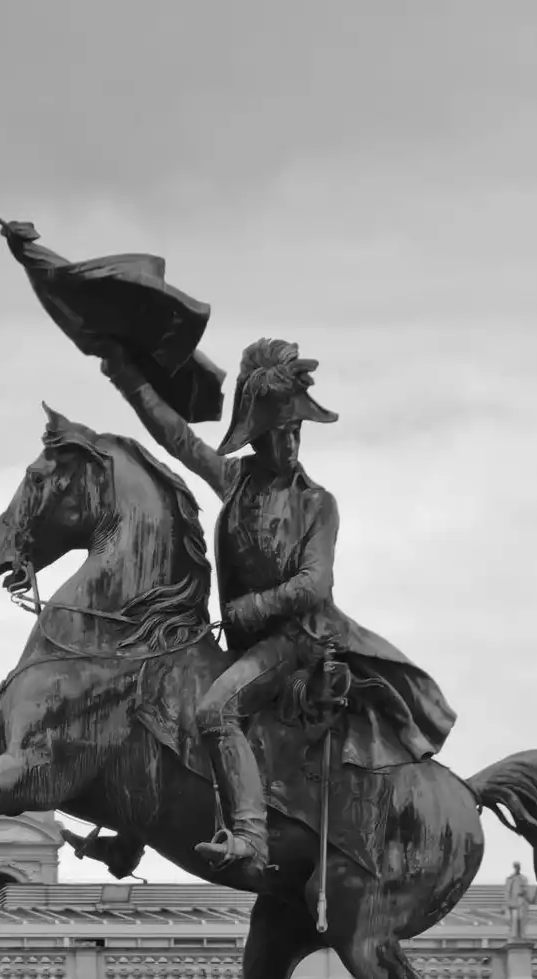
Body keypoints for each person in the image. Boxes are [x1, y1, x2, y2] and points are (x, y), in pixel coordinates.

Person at [101, 339, 456, 873]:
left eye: (296, 432)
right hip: (249, 642)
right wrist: (127, 377)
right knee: (151, 697)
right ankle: (132, 834)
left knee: (215, 712)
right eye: (278, 434)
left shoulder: (317, 503)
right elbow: (179, 439)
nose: (290, 445)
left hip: (300, 642)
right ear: (256, 437)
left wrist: (253, 607)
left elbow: (314, 582)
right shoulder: (236, 481)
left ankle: (250, 837)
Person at [504, 862, 536, 941]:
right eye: (516, 867)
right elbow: (508, 892)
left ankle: (522, 934)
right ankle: (514, 935)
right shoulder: (510, 879)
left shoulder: (523, 878)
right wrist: (508, 903)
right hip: (514, 902)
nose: (517, 868)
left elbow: (526, 890)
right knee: (515, 919)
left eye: (518, 867)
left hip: (522, 901)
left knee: (522, 918)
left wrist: (528, 897)